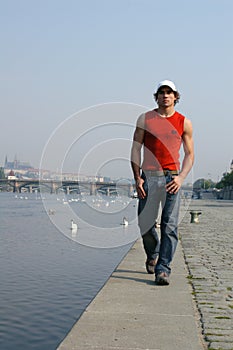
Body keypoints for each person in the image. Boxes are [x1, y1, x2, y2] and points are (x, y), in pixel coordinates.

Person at [131, 80, 194, 285]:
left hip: (171, 179)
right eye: (161, 92)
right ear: (156, 96)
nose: (165, 96)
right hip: (148, 177)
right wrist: (137, 177)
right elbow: (135, 148)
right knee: (145, 224)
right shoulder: (145, 118)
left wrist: (181, 177)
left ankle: (163, 269)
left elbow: (190, 154)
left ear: (176, 96)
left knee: (169, 225)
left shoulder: (183, 122)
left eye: (169, 92)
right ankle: (153, 253)